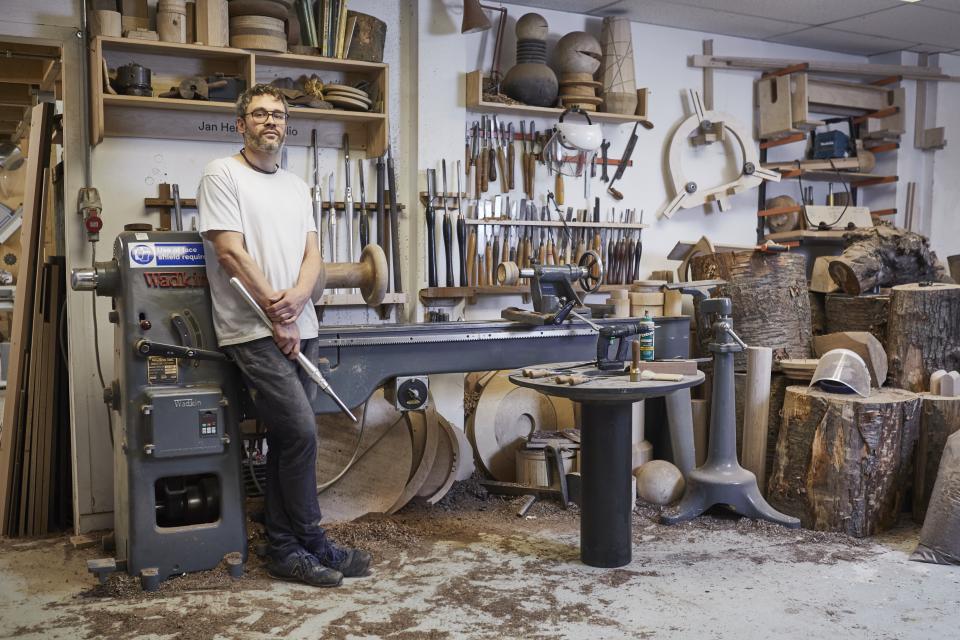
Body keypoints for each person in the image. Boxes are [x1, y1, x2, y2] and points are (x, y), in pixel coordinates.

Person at [197, 84, 371, 588]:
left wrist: (297, 300)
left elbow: (313, 255)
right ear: (241, 125)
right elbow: (230, 253)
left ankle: (286, 545)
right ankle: (309, 541)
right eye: (259, 114)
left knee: (286, 439)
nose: (270, 121)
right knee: (300, 432)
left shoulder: (297, 186)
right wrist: (279, 312)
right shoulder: (221, 174)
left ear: (286, 125)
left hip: (301, 324)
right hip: (251, 329)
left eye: (277, 114)